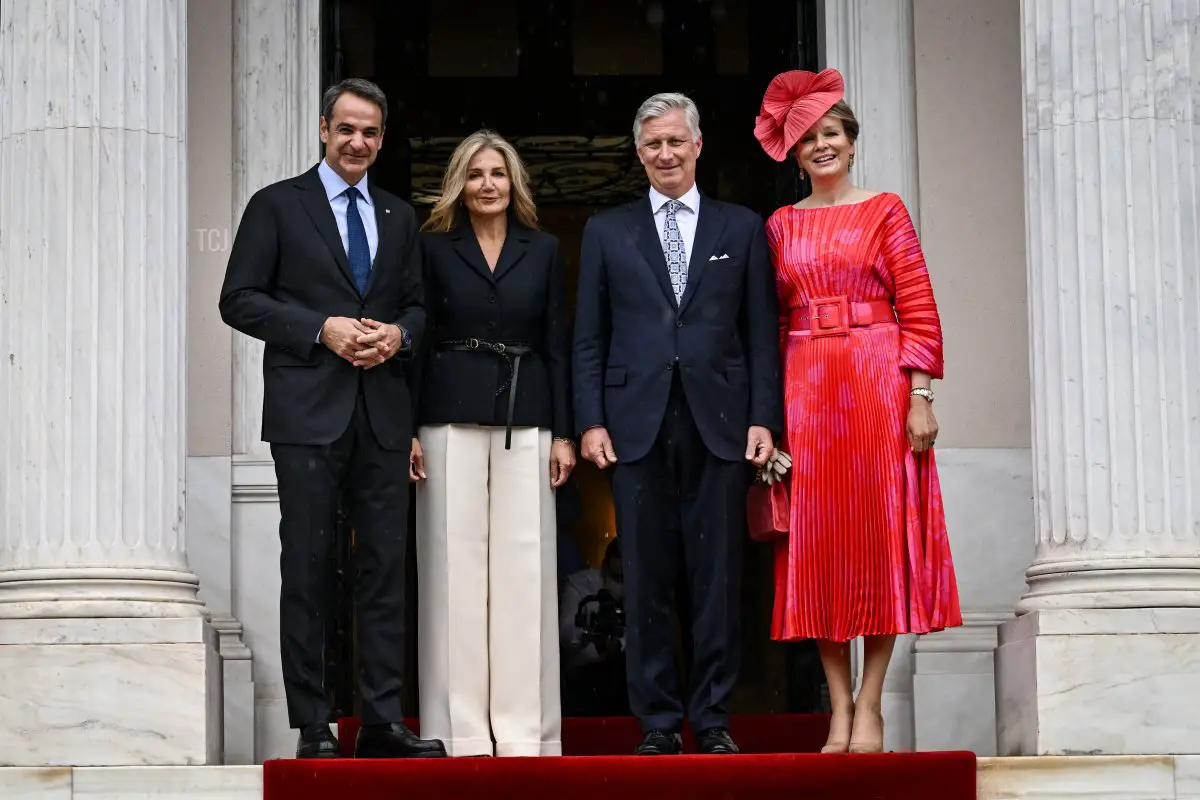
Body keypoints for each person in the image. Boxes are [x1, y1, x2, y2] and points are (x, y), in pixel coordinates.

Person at [218, 78, 446, 760]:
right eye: (346, 129)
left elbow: (419, 310)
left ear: (381, 138)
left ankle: (380, 721)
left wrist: (397, 338)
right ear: (323, 129)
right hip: (307, 416)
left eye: (370, 132)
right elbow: (239, 299)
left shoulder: (399, 216)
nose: (358, 142)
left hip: (382, 415)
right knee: (310, 568)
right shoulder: (275, 205)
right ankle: (314, 725)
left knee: (384, 570)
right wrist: (323, 328)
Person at [753, 68, 962, 753]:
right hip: (806, 387)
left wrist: (920, 394)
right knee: (818, 549)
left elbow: (919, 308)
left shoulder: (886, 211)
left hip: (877, 382)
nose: (821, 145)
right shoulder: (779, 225)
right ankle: (837, 707)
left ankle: (870, 706)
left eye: (832, 134)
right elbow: (766, 320)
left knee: (877, 543)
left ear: (851, 141)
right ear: (793, 148)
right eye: (808, 136)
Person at [572, 93, 783, 755]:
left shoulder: (741, 227)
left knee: (717, 578)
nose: (665, 153)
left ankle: (713, 717)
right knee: (645, 576)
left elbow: (760, 336)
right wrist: (590, 420)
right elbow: (588, 337)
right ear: (639, 153)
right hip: (634, 423)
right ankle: (659, 722)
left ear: (697, 147)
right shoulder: (608, 231)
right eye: (653, 144)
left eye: (675, 142)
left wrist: (763, 418)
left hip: (719, 422)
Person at [411, 130, 574, 758]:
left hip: (526, 415)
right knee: (452, 570)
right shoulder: (432, 249)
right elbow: (419, 340)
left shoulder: (545, 249)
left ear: (514, 184)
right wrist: (406, 432)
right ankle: (459, 732)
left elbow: (557, 343)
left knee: (524, 571)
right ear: (460, 182)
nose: (487, 184)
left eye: (498, 174)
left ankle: (524, 731)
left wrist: (563, 432)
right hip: (446, 414)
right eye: (475, 173)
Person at [559, 538, 629, 716]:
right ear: (605, 567)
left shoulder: (639, 590)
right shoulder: (580, 586)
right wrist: (590, 634)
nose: (619, 584)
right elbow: (565, 634)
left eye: (624, 578)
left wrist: (619, 644)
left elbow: (646, 635)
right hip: (583, 675)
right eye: (615, 577)